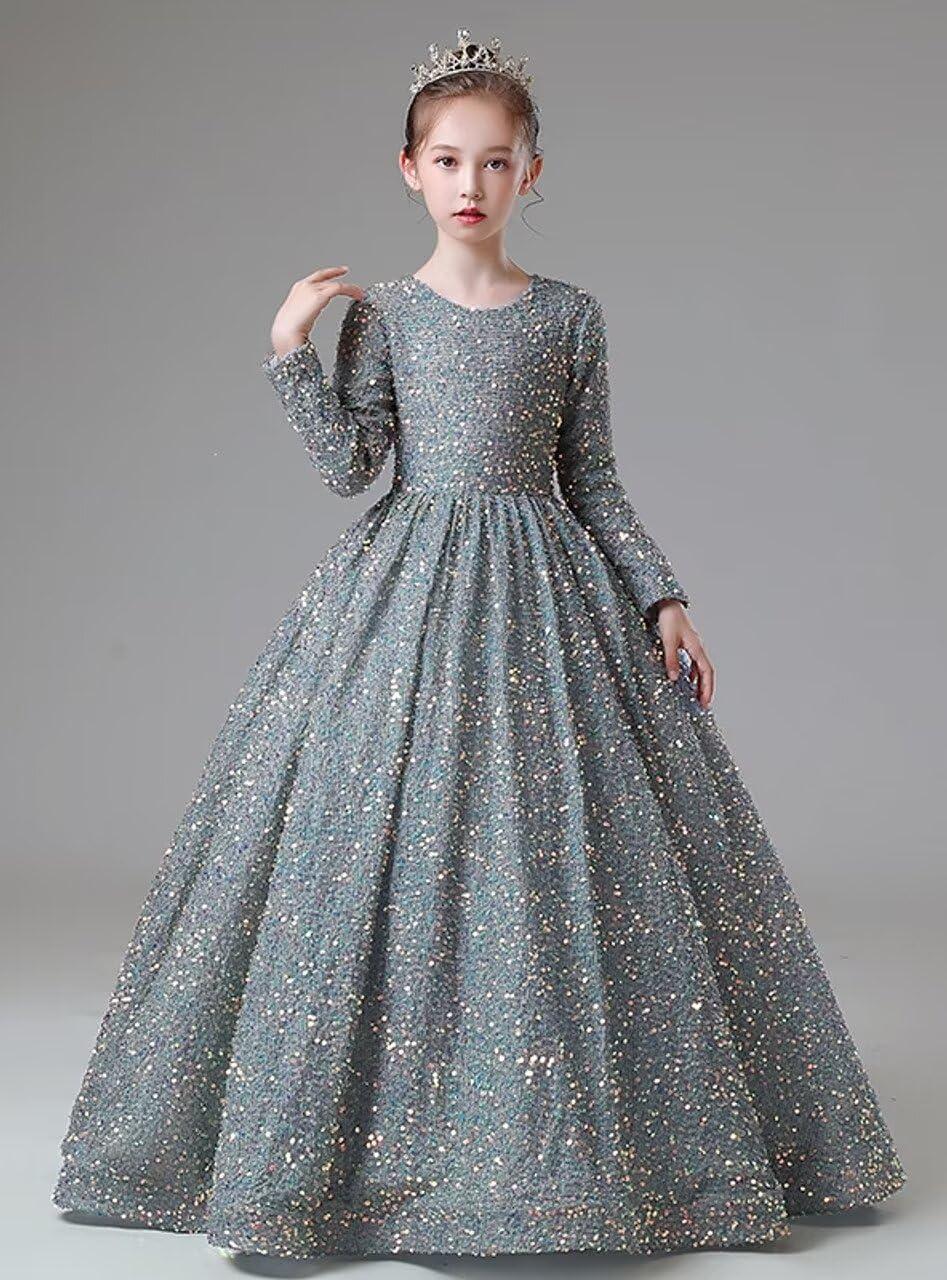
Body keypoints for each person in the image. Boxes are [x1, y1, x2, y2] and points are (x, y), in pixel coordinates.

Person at [51, 28, 905, 1261]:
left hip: (549, 599)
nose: (470, 182)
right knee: (378, 848)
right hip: (403, 599)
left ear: (529, 174)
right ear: (408, 170)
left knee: (549, 854)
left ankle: (562, 1151)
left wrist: (660, 596)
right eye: (447, 160)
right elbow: (352, 464)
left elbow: (592, 478)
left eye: (494, 161)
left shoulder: (567, 316)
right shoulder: (386, 317)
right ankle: (372, 1153)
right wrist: (289, 349)